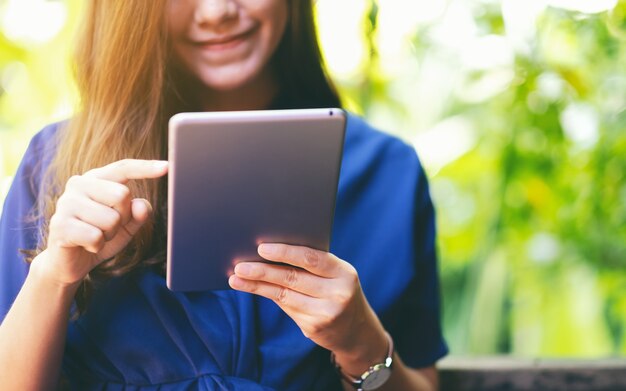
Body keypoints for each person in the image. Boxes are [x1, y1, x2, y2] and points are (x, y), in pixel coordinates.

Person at [0, 0, 448, 390]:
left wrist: (361, 343)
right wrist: (54, 275)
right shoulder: (59, 162)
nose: (216, 12)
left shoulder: (388, 174)